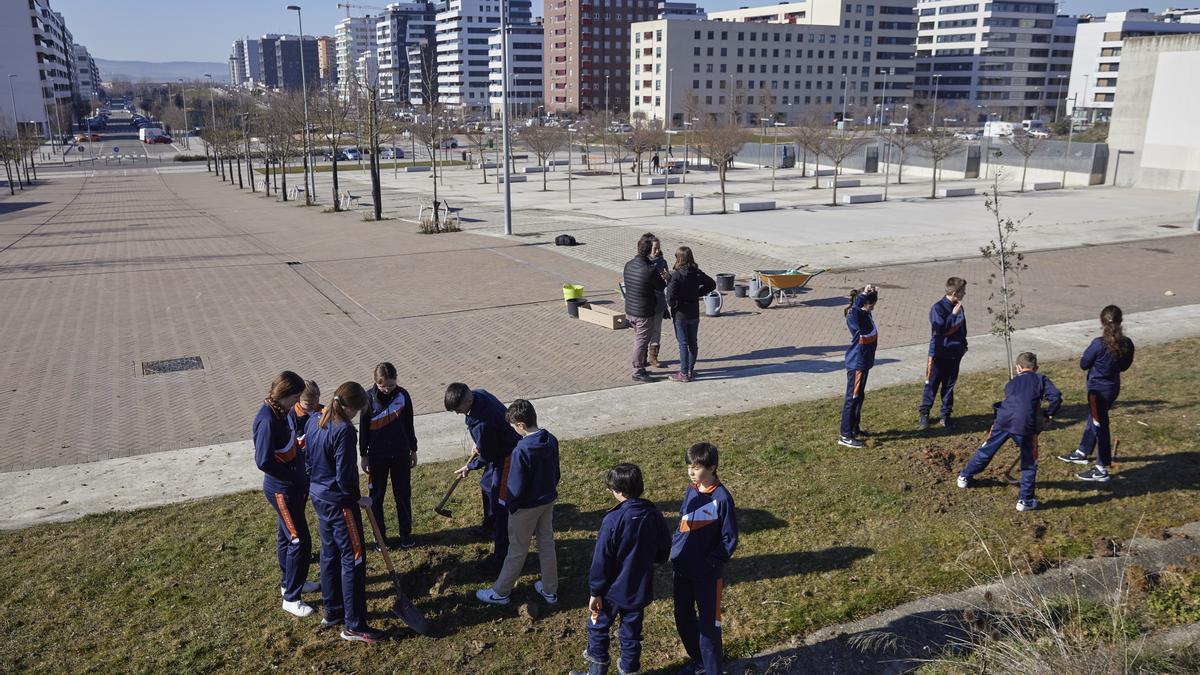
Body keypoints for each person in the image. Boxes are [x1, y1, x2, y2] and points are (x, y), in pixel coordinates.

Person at [571, 464, 671, 675]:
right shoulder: (653, 515)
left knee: (597, 628)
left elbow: (601, 560)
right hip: (639, 588)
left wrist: (595, 591)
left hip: (610, 592)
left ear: (620, 491)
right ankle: (629, 670)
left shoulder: (613, 520)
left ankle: (596, 672)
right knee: (631, 633)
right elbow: (664, 550)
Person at [307, 381, 386, 643]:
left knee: (329, 553)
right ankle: (354, 624)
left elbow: (308, 462)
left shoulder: (315, 419)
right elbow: (344, 475)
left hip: (319, 497)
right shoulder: (344, 431)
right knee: (354, 558)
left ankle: (333, 610)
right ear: (352, 407)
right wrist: (356, 498)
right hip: (341, 504)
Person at [476, 399, 560, 606]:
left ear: (520, 425)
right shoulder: (551, 440)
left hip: (525, 508)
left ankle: (501, 592)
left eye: (514, 427)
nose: (514, 430)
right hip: (547, 501)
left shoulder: (521, 450)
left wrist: (511, 506)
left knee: (517, 549)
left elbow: (515, 485)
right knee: (547, 545)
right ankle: (550, 589)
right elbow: (556, 473)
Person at [957, 352, 1062, 512]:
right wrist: (1048, 414)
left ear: (1018, 368)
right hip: (1025, 426)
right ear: (1036, 367)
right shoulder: (1041, 379)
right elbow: (1056, 396)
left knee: (986, 449)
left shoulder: (1011, 383)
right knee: (1029, 461)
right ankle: (1025, 501)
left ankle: (964, 476)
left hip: (1002, 420)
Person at [253, 370, 318, 617]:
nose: (297, 403)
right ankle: (291, 598)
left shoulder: (280, 412)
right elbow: (263, 460)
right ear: (286, 395)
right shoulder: (267, 420)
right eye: (295, 397)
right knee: (299, 541)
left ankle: (290, 583)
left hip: (293, 487)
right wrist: (291, 475)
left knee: (286, 536)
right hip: (282, 490)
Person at [671, 443, 738, 675]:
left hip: (708, 577)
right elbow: (682, 523)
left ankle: (712, 670)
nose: (691, 471)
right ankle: (699, 663)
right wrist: (674, 550)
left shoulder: (722, 499)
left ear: (712, 467)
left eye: (697, 467)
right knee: (683, 619)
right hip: (682, 570)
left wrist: (709, 562)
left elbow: (729, 539)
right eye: (689, 466)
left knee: (709, 629)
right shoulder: (691, 489)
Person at [447, 383, 522, 572]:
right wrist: (478, 442)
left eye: (458, 409)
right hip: (496, 447)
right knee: (487, 486)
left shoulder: (482, 421)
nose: (457, 413)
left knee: (500, 504)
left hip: (507, 456)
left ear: (468, 400)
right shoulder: (479, 393)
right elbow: (485, 444)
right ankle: (489, 526)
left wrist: (469, 466)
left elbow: (488, 455)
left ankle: (501, 554)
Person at [1058, 305, 1135, 482]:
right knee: (1095, 418)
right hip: (1112, 388)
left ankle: (1101, 469)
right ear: (1121, 321)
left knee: (1100, 425)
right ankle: (1082, 451)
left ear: (1102, 322)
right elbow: (1124, 366)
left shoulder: (1098, 344)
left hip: (1097, 391)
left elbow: (1084, 363)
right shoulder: (1127, 343)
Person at [359, 362, 418, 549]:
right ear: (376, 382)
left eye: (391, 385)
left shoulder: (403, 395)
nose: (387, 390)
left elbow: (409, 423)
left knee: (403, 494)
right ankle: (380, 537)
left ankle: (405, 534)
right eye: (383, 386)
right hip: (377, 456)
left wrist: (413, 449)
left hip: (400, 453)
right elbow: (363, 429)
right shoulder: (368, 399)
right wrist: (364, 454)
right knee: (376, 496)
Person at [919, 277, 968, 430]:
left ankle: (946, 415)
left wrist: (963, 345)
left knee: (949, 385)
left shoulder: (960, 307)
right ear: (955, 292)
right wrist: (952, 315)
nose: (965, 294)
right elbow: (940, 330)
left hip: (955, 353)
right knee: (931, 384)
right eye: (963, 291)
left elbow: (962, 328)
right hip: (939, 354)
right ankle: (924, 414)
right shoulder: (938, 308)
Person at [665, 246, 717, 382]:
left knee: (683, 343)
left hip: (681, 313)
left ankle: (683, 373)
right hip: (694, 312)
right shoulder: (697, 273)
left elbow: (670, 295)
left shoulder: (677, 275)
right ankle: (689, 370)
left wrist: (674, 305)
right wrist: (698, 293)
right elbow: (711, 284)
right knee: (693, 342)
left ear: (679, 258)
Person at [623, 233, 667, 382]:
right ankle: (637, 370)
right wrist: (664, 277)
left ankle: (641, 366)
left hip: (630, 310)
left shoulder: (629, 264)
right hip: (643, 312)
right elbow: (661, 286)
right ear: (648, 250)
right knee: (641, 342)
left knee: (639, 340)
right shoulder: (649, 269)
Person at [839, 285, 879, 449]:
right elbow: (856, 307)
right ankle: (845, 435)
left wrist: (870, 292)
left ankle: (854, 428)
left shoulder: (865, 314)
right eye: (872, 304)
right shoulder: (856, 315)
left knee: (859, 397)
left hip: (864, 363)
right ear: (865, 303)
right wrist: (864, 294)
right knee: (852, 398)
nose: (874, 307)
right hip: (857, 364)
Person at [646, 236, 670, 369]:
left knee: (656, 330)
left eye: (658, 248)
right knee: (643, 331)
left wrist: (667, 278)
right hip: (645, 302)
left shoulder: (663, 262)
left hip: (659, 301)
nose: (657, 251)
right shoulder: (643, 262)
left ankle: (653, 357)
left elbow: (667, 281)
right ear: (648, 248)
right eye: (655, 248)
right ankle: (642, 357)